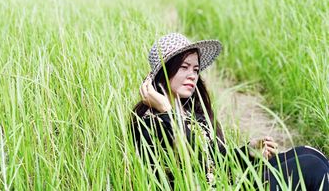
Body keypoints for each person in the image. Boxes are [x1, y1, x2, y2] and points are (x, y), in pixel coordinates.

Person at [130, 33, 329, 190]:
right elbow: (193, 166)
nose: (192, 75)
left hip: (228, 181)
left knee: (309, 153)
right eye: (184, 67)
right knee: (311, 167)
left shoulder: (190, 112)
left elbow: (215, 160)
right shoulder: (149, 121)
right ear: (163, 72)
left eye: (196, 69)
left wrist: (248, 150)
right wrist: (166, 112)